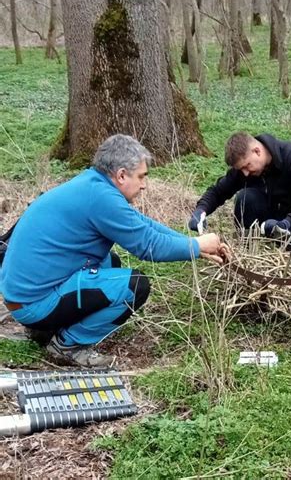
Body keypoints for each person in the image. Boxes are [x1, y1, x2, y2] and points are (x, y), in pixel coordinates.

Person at [0, 134, 225, 367]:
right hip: (33, 305)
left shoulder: (92, 184)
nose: (144, 185)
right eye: (141, 176)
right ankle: (67, 345)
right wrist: (196, 247)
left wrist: (194, 243)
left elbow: (141, 223)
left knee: (111, 263)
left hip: (23, 296)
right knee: (135, 286)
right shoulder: (102, 199)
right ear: (121, 175)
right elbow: (149, 246)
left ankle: (47, 329)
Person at [188, 132, 291, 249]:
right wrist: (200, 211)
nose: (245, 173)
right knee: (245, 198)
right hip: (268, 220)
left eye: (247, 166)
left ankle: (286, 240)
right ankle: (249, 244)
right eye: (241, 169)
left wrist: (286, 223)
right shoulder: (245, 170)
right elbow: (218, 191)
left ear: (257, 151)